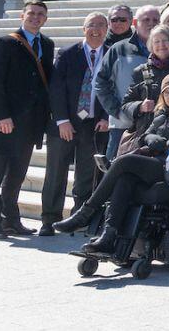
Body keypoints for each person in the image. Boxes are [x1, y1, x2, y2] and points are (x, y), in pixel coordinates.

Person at [52, 73, 169, 252]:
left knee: (124, 162)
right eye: (167, 92)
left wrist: (166, 143)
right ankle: (108, 236)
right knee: (125, 180)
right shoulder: (161, 114)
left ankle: (86, 212)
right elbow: (145, 136)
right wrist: (149, 137)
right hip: (155, 162)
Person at [0, 0, 55, 239]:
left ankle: (11, 220)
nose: (35, 17)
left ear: (45, 19)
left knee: (16, 176)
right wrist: (1, 115)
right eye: (31, 13)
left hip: (30, 123)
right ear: (22, 16)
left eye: (40, 14)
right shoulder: (4, 43)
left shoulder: (47, 44)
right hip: (6, 121)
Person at [41, 12, 112, 235]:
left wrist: (107, 116)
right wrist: (61, 120)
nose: (96, 29)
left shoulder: (112, 54)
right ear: (83, 28)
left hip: (94, 125)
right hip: (65, 123)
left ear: (107, 29)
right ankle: (49, 219)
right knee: (56, 173)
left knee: (86, 175)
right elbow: (56, 89)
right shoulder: (68, 53)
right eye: (91, 25)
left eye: (101, 25)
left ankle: (78, 218)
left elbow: (116, 89)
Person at [95, 5, 160, 156]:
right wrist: (116, 111)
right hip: (122, 125)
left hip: (156, 124)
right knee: (115, 171)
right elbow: (100, 82)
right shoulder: (118, 49)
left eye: (155, 20)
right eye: (146, 20)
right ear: (135, 23)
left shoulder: (165, 48)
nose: (151, 23)